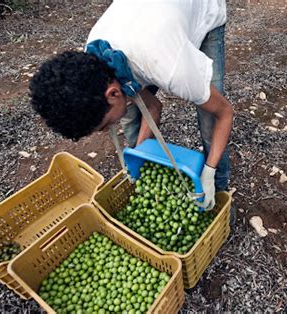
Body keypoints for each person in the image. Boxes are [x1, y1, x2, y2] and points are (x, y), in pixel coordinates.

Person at [29, 0, 233, 212]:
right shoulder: (95, 54)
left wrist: (209, 172)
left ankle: (218, 194)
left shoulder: (172, 69)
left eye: (106, 124)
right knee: (131, 112)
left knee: (210, 117)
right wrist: (141, 151)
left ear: (114, 93)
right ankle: (145, 163)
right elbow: (152, 107)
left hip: (202, 11)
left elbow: (225, 113)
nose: (109, 129)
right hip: (153, 27)